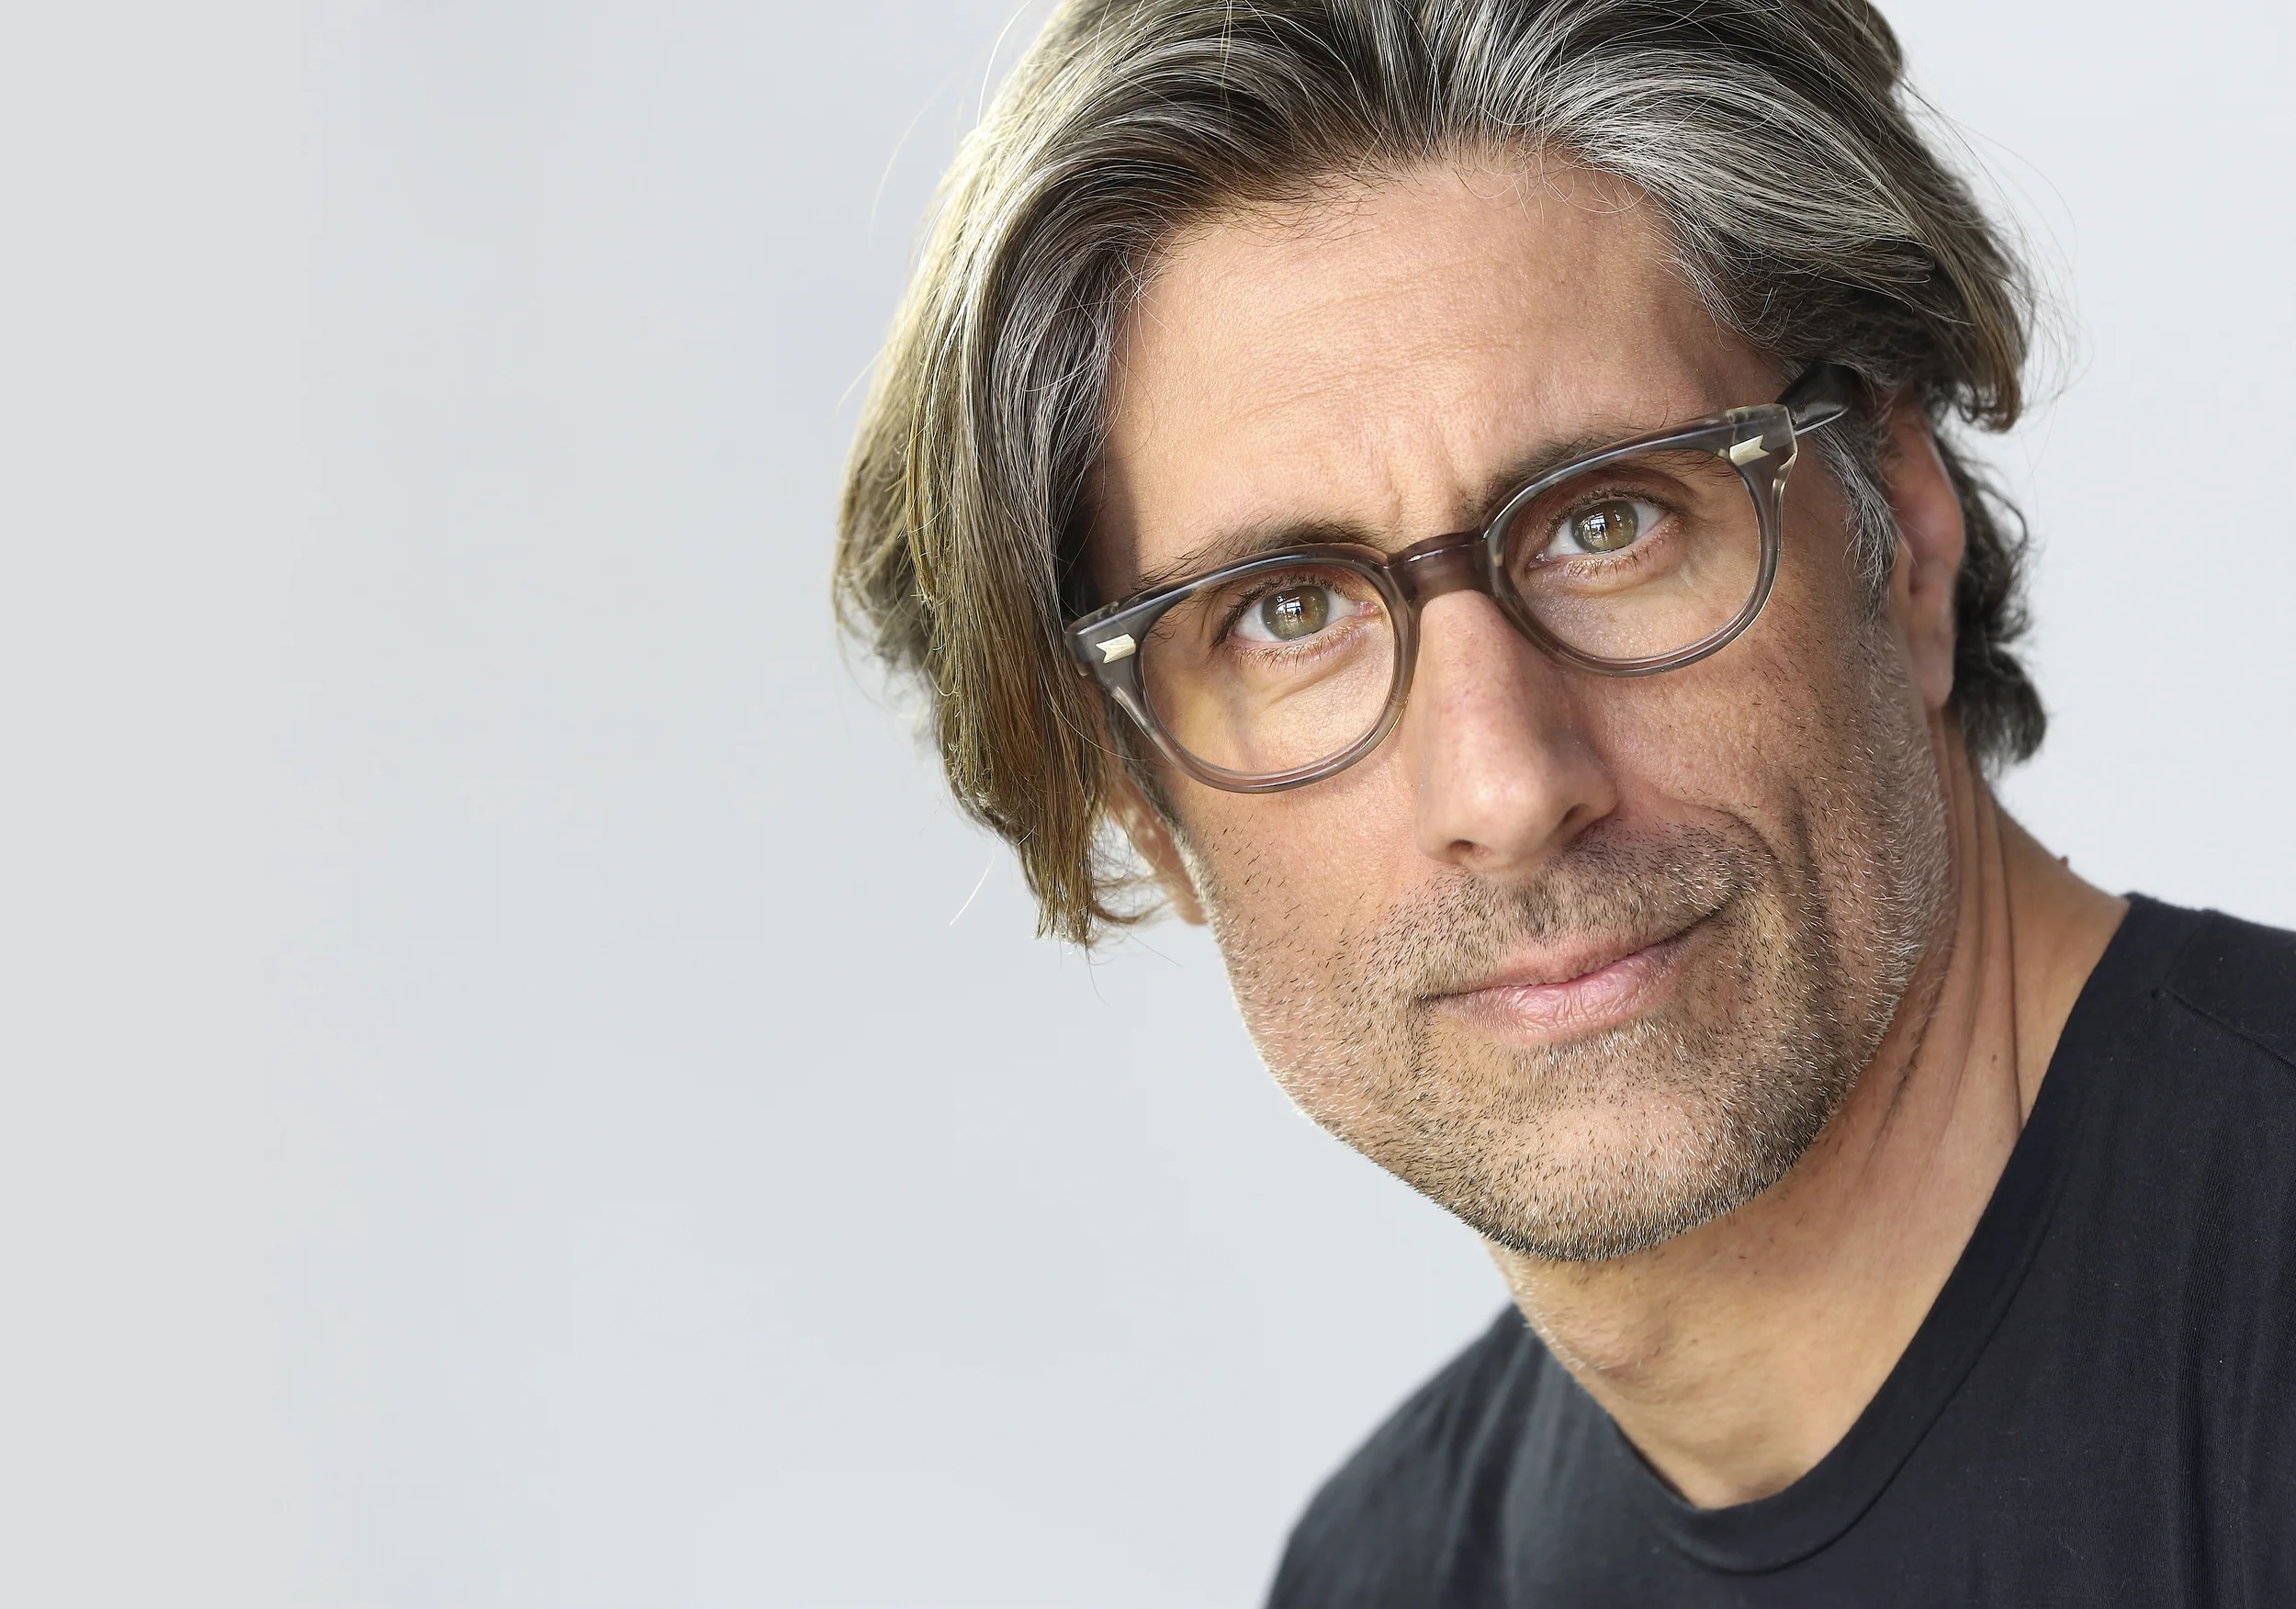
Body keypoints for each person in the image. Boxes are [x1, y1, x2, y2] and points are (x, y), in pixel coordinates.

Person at [835, 0, 2296, 1600]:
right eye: (1288, 612)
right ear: (1131, 794)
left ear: (1906, 535)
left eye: (1608, 523)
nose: (1508, 783)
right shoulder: (1385, 1576)